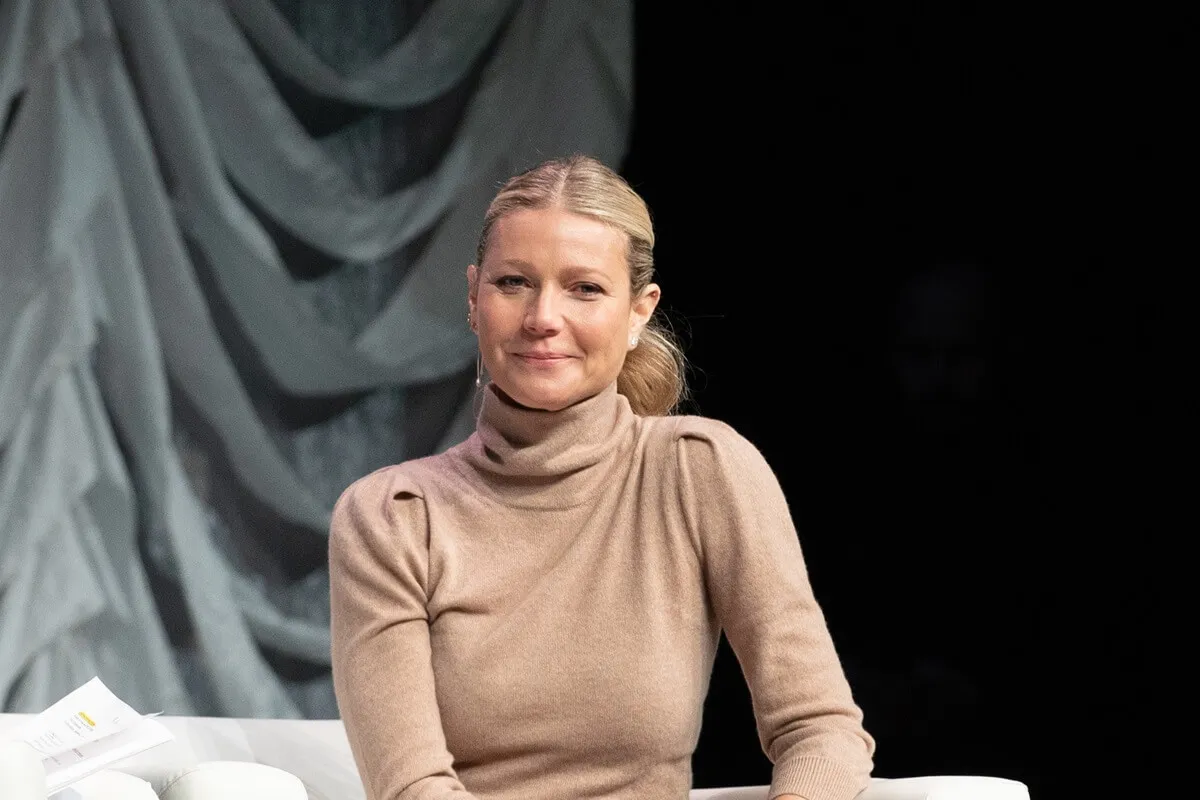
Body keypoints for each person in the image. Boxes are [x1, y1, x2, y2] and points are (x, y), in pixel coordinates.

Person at [329, 154, 875, 800]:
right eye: (513, 283)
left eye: (584, 288)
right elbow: (412, 789)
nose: (542, 318)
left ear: (640, 311)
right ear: (474, 298)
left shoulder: (700, 474)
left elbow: (821, 728)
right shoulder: (393, 516)